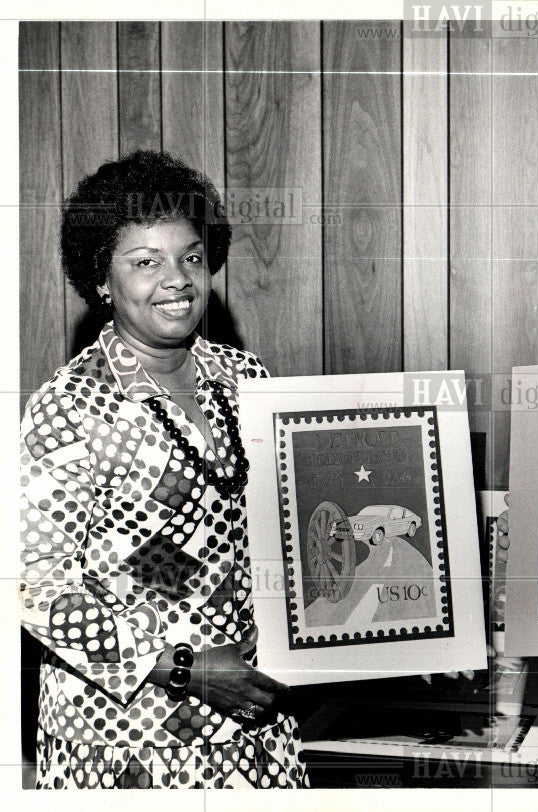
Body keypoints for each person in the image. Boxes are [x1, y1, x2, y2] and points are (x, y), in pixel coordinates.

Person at [19, 151, 309, 788]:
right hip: (127, 732)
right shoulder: (68, 407)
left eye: (191, 258)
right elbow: (34, 587)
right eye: (145, 261)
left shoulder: (246, 378)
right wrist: (188, 668)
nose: (177, 279)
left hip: (256, 717)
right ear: (102, 278)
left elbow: (286, 525)